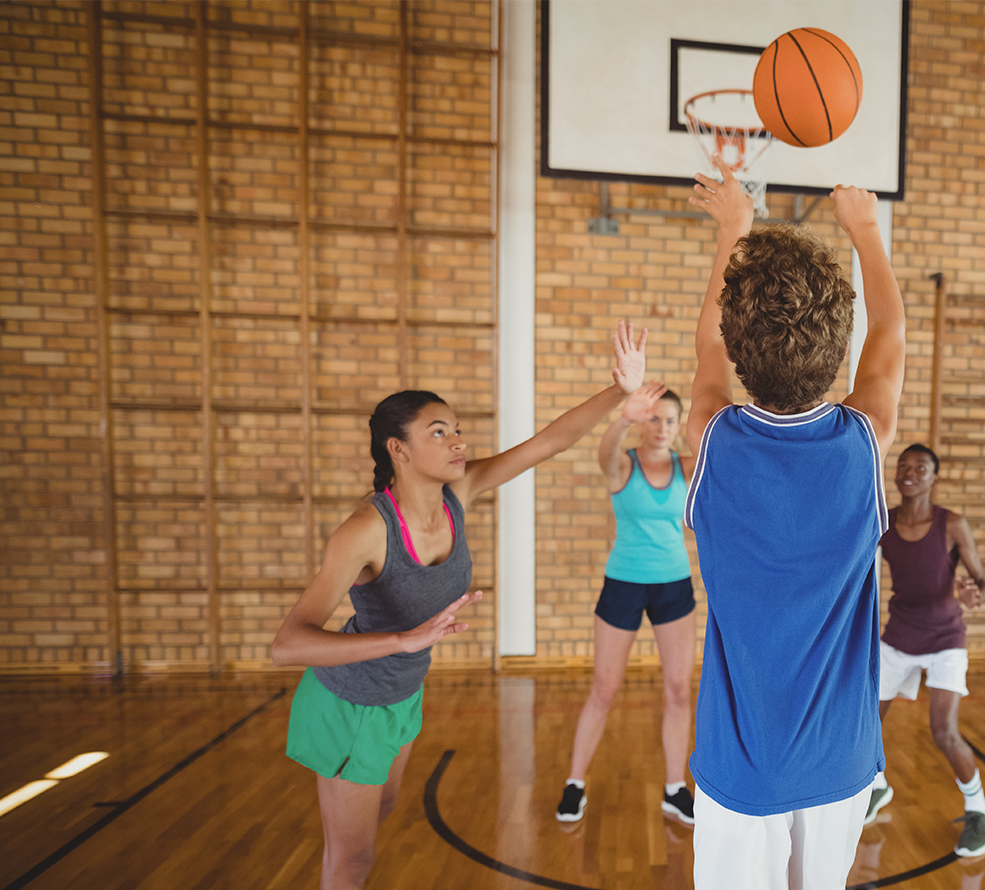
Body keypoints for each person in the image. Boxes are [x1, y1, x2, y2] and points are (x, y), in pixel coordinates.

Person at [271, 322, 649, 890]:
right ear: (398, 449)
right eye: (439, 432)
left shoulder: (458, 493)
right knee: (352, 862)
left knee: (380, 813)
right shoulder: (364, 532)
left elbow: (546, 444)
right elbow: (288, 643)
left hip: (403, 694)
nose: (458, 443)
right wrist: (402, 640)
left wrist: (618, 392)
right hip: (352, 704)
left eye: (458, 431)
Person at [684, 166, 905, 889]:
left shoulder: (712, 440)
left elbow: (707, 351)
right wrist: (866, 230)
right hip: (839, 760)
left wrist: (733, 227)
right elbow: (892, 333)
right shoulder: (860, 444)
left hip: (740, 764)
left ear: (742, 348)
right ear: (837, 350)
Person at [556, 384, 698, 826]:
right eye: (653, 418)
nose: (661, 428)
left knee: (678, 689)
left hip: (674, 584)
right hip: (624, 583)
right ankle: (575, 783)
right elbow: (605, 451)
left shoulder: (686, 467)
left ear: (678, 426)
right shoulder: (623, 465)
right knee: (604, 687)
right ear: (642, 421)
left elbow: (721, 454)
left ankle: (676, 788)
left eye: (670, 420)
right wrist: (623, 418)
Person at [866, 443, 985, 858]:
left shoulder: (952, 524)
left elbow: (982, 582)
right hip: (900, 634)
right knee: (865, 723)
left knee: (943, 732)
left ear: (933, 479)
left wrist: (976, 594)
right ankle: (878, 785)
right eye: (903, 466)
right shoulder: (884, 521)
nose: (910, 472)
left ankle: (978, 809)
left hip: (944, 639)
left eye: (920, 467)